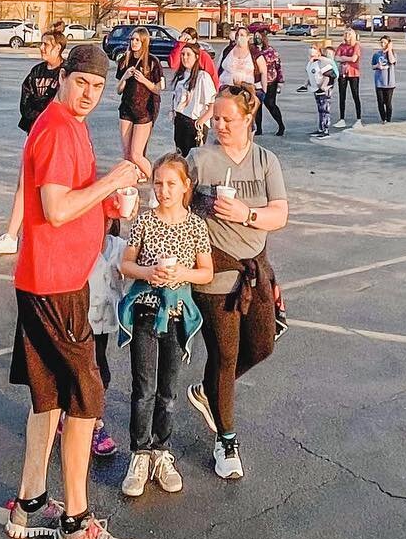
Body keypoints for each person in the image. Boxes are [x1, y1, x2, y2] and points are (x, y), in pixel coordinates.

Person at [6, 43, 140, 539]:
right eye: (82, 83)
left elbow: (69, 197)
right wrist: (114, 180)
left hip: (47, 279)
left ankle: (31, 501)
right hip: (56, 285)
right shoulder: (60, 128)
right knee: (86, 395)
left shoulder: (64, 124)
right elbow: (56, 209)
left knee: (49, 397)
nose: (89, 94)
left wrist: (108, 201)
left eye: (99, 88)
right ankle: (76, 524)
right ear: (64, 77)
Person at [185, 86, 289, 481]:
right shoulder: (200, 159)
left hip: (255, 270)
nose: (220, 125)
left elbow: (279, 214)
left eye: (228, 119)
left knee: (261, 346)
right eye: (216, 118)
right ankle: (226, 441)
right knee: (225, 354)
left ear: (248, 119)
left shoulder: (265, 161)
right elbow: (175, 200)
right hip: (216, 272)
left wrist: (247, 214)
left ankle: (209, 391)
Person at [117, 153, 213, 497]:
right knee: (143, 388)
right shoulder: (145, 220)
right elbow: (126, 264)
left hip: (176, 314)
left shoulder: (195, 225)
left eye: (171, 183)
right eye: (158, 183)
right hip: (145, 309)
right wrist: (147, 272)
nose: (164, 190)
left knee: (168, 391)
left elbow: (207, 272)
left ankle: (161, 451)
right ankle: (139, 453)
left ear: (186, 186)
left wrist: (181, 274)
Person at [0, 31, 66, 257]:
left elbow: (61, 105)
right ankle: (11, 236)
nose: (42, 48)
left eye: (46, 45)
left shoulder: (66, 74)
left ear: (58, 48)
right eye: (42, 44)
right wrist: (38, 118)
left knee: (54, 189)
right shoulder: (36, 72)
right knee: (24, 184)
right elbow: (27, 101)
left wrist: (46, 114)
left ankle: (55, 240)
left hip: (56, 139)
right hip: (34, 135)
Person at [86, 219, 128, 459]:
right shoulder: (81, 245)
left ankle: (92, 419)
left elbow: (133, 265)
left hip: (104, 321)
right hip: (80, 318)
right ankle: (93, 424)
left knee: (100, 368)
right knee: (87, 370)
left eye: (106, 218)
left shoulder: (118, 246)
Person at [117, 28, 164, 181]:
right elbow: (118, 90)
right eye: (132, 39)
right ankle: (130, 189)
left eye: (137, 40)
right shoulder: (124, 59)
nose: (134, 43)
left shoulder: (152, 61)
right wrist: (125, 76)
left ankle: (154, 181)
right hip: (126, 110)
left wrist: (144, 80)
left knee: (137, 154)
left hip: (144, 111)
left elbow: (158, 88)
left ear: (144, 42)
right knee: (127, 155)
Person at [170, 43, 217, 155]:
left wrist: (201, 121)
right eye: (182, 54)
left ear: (196, 57)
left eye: (188, 55)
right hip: (180, 121)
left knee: (194, 158)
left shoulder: (203, 77)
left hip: (194, 121)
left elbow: (212, 104)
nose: (184, 58)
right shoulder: (180, 76)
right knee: (181, 155)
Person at [254, 33, 285, 136]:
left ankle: (281, 125)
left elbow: (278, 67)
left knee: (270, 104)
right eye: (255, 36)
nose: (256, 38)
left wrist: (280, 82)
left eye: (258, 36)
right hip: (257, 81)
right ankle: (259, 129)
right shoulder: (253, 50)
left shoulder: (271, 51)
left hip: (270, 81)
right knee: (257, 106)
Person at [306, 43, 334, 136]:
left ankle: (325, 130)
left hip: (324, 89)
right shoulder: (311, 63)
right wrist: (307, 84)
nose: (311, 57)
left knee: (325, 109)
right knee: (320, 109)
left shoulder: (323, 62)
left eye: (314, 49)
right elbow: (311, 75)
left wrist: (323, 86)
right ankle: (320, 128)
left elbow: (329, 75)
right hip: (316, 89)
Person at [371, 35, 397, 122]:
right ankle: (383, 119)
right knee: (380, 102)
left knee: (388, 102)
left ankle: (388, 119)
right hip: (379, 81)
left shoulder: (392, 53)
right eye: (381, 42)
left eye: (385, 43)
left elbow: (392, 61)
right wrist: (377, 66)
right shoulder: (377, 54)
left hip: (389, 82)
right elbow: (373, 66)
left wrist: (389, 49)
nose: (382, 44)